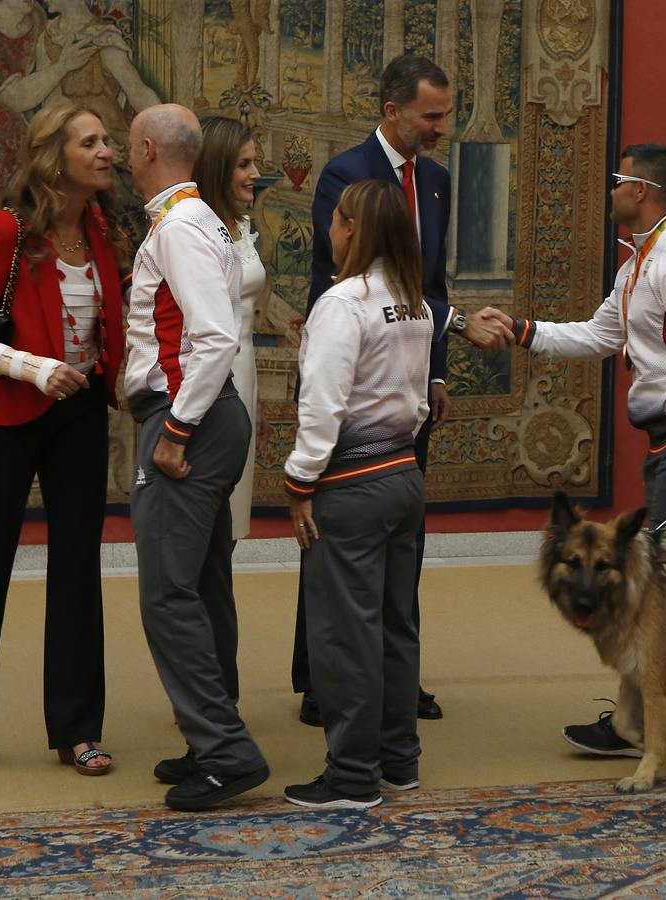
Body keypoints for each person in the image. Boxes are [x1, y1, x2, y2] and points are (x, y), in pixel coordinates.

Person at [480, 143, 666, 754]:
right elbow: (602, 334)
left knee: (658, 581)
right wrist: (525, 332)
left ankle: (641, 722)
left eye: (616, 181)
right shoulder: (641, 259)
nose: (609, 190)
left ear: (641, 189)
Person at [0, 102, 126, 775]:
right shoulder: (6, 229)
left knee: (79, 570)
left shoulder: (103, 230)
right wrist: (33, 368)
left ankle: (77, 728)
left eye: (108, 140)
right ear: (55, 155)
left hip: (79, 416)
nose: (107, 151)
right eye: (91, 141)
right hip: (1, 416)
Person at [293, 55, 455, 726]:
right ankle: (321, 677)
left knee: (399, 536)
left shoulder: (440, 183)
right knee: (334, 540)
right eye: (431, 116)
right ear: (392, 113)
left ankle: (396, 677)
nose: (442, 127)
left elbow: (433, 287)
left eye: (444, 114)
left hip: (411, 381)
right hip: (351, 376)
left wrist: (435, 371)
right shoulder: (346, 176)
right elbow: (335, 275)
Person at [125, 104, 267, 811]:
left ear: (148, 149)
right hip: (210, 415)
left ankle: (224, 749)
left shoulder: (180, 225)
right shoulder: (197, 220)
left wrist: (176, 431)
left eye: (126, 148)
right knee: (205, 586)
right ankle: (214, 734)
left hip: (190, 418)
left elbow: (212, 340)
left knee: (168, 593)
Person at [281, 180, 435, 808]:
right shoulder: (415, 304)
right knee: (397, 626)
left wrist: (299, 480)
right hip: (403, 475)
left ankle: (350, 776)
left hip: (349, 484)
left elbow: (322, 405)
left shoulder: (341, 304)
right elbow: (419, 399)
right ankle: (399, 761)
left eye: (338, 220)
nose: (331, 230)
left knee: (346, 634)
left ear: (353, 229)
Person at [194, 117, 265, 541]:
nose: (255, 174)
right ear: (217, 167)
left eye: (254, 162)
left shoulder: (242, 226)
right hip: (211, 370)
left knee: (235, 500)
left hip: (245, 364)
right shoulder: (194, 230)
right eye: (243, 164)